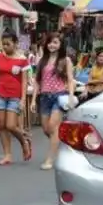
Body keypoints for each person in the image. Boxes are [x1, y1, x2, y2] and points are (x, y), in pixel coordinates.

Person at [31, 32, 76, 170]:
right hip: (44, 97)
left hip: (59, 96)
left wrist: (70, 95)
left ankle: (50, 160)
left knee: (52, 126)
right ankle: (60, 143)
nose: (52, 45)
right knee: (46, 129)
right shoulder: (42, 60)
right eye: (50, 42)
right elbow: (37, 81)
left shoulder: (65, 60)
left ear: (60, 45)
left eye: (55, 42)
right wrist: (33, 100)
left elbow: (70, 79)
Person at [0, 31, 32, 166]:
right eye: (3, 44)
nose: (5, 47)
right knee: (2, 125)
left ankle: (24, 141)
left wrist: (23, 100)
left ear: (15, 44)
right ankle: (7, 155)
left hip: (15, 96)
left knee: (11, 125)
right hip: (0, 95)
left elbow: (25, 81)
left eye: (8, 44)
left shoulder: (22, 60)